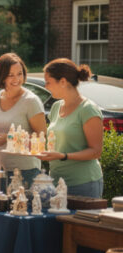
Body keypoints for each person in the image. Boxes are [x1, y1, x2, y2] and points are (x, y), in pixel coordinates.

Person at [0, 53, 47, 188]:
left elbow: (41, 138)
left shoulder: (31, 101)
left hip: (24, 172)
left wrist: (9, 138)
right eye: (10, 75)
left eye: (19, 74)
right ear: (1, 76)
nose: (16, 79)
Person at [36, 59, 103, 198]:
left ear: (63, 81)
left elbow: (96, 151)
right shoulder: (56, 107)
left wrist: (63, 156)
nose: (46, 86)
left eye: (48, 82)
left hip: (83, 184)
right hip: (56, 183)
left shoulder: (88, 109)